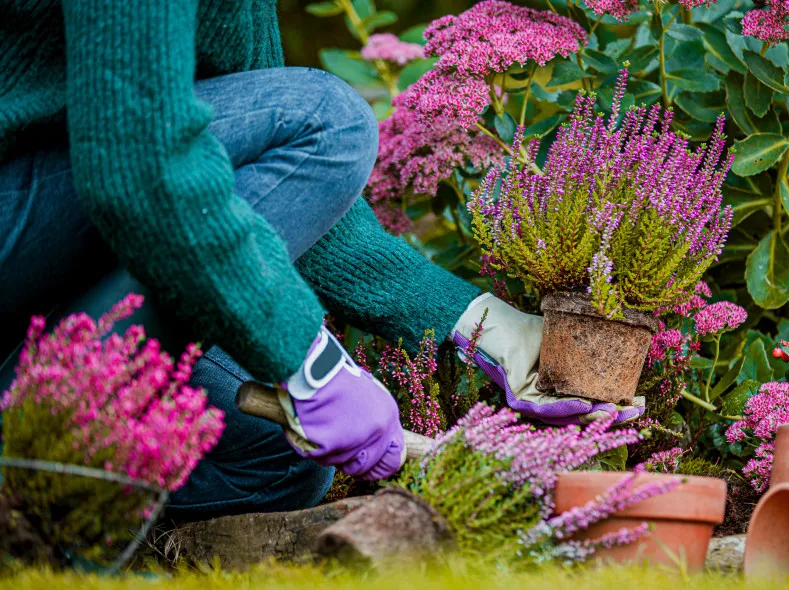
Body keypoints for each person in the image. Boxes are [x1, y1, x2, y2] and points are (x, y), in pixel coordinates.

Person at [0, 0, 643, 522]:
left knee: (274, 459)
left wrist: (484, 326)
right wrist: (309, 364)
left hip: (54, 245)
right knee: (327, 120)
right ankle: (41, 444)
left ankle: (48, 479)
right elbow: (138, 164)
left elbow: (279, 192)